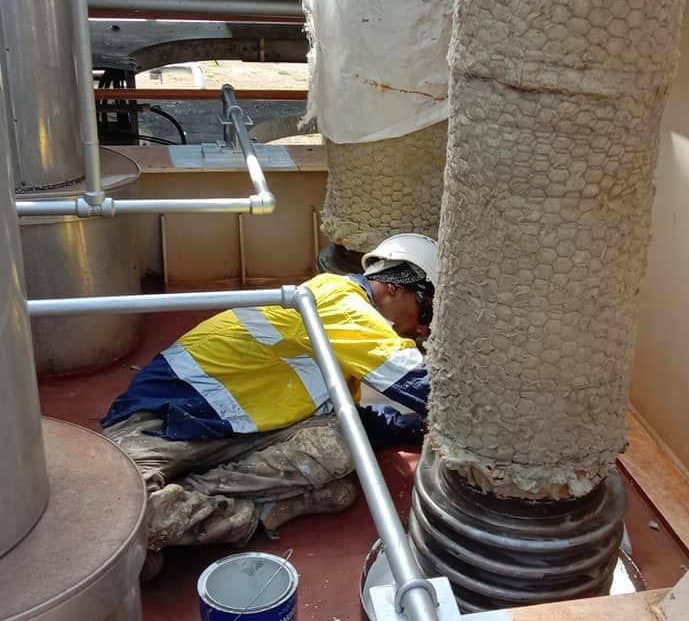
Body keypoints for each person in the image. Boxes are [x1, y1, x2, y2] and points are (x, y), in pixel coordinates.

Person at [101, 233, 437, 576]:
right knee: (117, 510)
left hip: (240, 433)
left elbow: (346, 416)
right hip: (167, 416)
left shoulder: (349, 338)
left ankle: (185, 506)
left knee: (339, 444)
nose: (424, 329)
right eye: (427, 310)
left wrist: (411, 430)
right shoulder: (343, 304)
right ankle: (259, 511)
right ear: (394, 286)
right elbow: (426, 387)